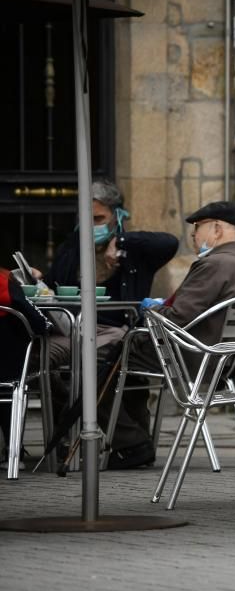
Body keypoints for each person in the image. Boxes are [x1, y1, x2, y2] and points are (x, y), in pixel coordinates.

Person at [113, 201, 235, 468]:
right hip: (222, 359)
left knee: (102, 356)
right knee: (123, 360)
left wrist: (153, 308)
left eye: (197, 228)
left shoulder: (213, 264)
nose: (193, 236)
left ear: (216, 229)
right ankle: (133, 442)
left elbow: (178, 318)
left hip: (192, 357)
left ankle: (131, 443)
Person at [43, 179, 178, 469]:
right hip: (72, 328)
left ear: (117, 215)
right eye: (85, 218)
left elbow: (169, 243)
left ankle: (131, 443)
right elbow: (54, 282)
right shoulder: (73, 247)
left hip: (118, 330)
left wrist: (122, 241)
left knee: (88, 366)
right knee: (41, 361)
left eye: (98, 218)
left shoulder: (135, 251)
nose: (91, 225)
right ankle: (61, 435)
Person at [0, 267, 51, 467]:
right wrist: (46, 327)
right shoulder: (4, 281)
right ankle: (13, 453)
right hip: (8, 363)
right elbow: (36, 320)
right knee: (12, 390)